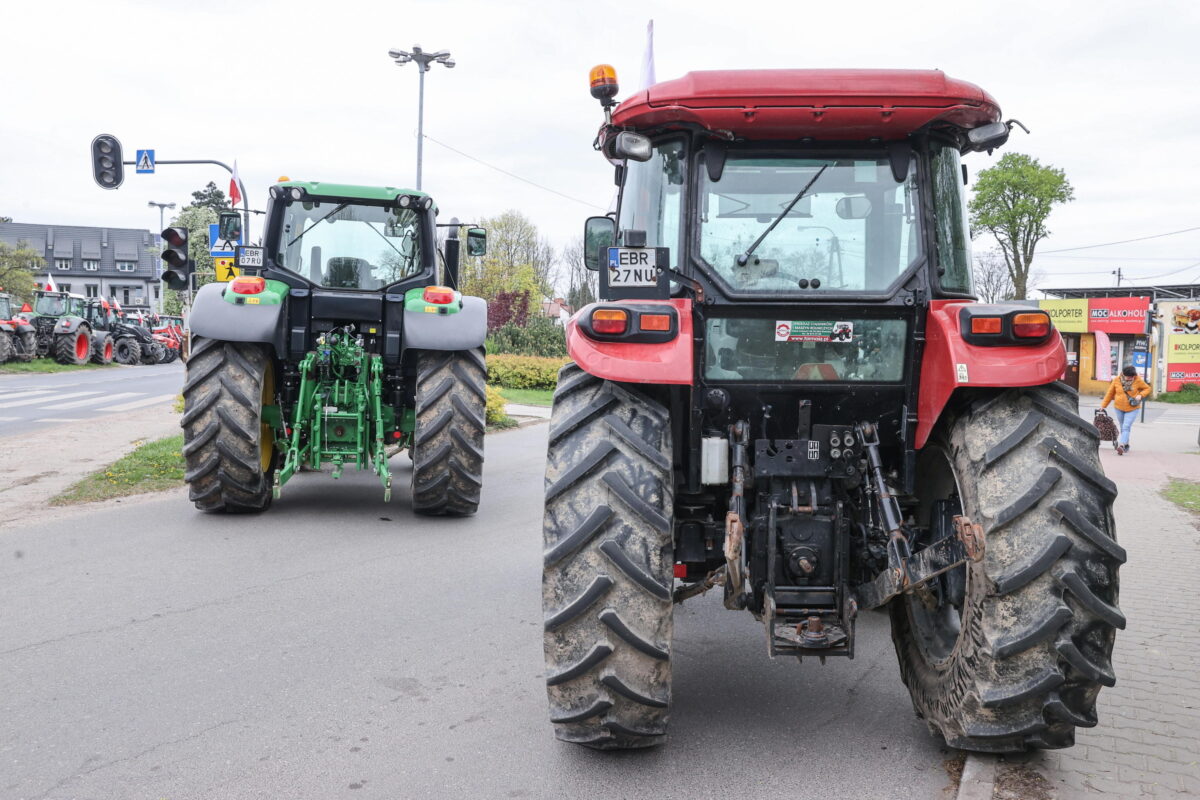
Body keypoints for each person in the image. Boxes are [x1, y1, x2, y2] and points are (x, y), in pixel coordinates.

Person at [1100, 365, 1151, 455]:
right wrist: (1103, 405)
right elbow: (1110, 393)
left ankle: (1122, 445)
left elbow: (1147, 388)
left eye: (1132, 377)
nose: (1130, 378)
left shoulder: (1137, 380)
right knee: (1123, 426)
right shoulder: (1116, 380)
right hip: (1119, 407)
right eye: (1128, 376)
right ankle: (1126, 444)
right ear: (1123, 374)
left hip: (1132, 408)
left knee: (1126, 426)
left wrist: (1141, 395)